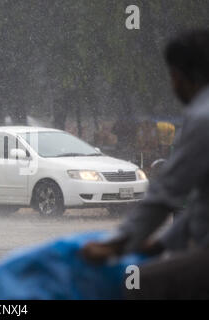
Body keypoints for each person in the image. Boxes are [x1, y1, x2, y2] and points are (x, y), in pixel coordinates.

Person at [81, 30, 209, 299]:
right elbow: (200, 205)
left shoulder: (201, 118)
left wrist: (117, 245)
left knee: (136, 286)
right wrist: (160, 243)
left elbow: (163, 198)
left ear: (178, 75)